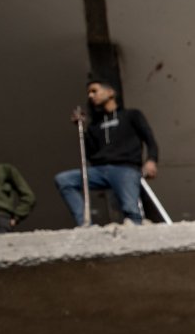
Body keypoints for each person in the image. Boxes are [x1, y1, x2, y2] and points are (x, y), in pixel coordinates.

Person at [56, 77, 159, 225]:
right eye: (89, 93)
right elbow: (90, 153)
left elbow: (149, 139)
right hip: (100, 170)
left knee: (131, 209)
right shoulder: (95, 125)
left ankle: (136, 230)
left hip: (126, 169)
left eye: (94, 91)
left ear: (110, 92)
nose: (91, 95)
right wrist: (82, 129)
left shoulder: (131, 115)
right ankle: (85, 224)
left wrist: (152, 160)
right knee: (64, 180)